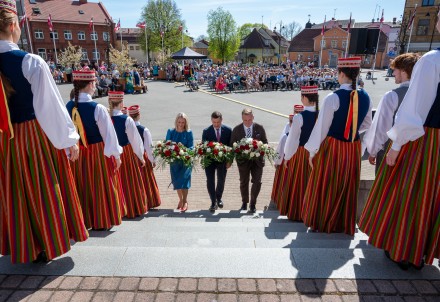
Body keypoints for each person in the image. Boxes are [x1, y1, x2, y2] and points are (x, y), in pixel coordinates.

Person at [0, 1, 88, 264]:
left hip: (4, 138)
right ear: (14, 26)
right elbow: (49, 107)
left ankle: (25, 244)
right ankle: (48, 243)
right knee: (43, 187)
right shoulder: (30, 61)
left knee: (15, 190)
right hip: (32, 135)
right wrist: (68, 140)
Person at [359, 13, 440, 270]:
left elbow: (414, 111)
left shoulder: (432, 60)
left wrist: (393, 147)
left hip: (425, 139)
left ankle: (404, 252)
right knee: (432, 197)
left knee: (408, 195)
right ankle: (424, 253)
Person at [302, 57, 372, 235]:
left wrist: (312, 151)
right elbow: (367, 123)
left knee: (327, 183)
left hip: (334, 147)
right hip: (353, 147)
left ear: (342, 73)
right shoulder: (365, 95)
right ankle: (342, 222)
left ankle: (325, 221)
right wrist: (352, 130)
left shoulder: (333, 97)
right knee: (347, 185)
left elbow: (322, 128)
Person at [66, 69, 126, 231]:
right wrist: (116, 155)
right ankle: (100, 220)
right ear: (91, 84)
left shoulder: (68, 106)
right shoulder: (97, 108)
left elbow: (66, 132)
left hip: (76, 152)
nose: (95, 86)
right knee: (99, 185)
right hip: (97, 152)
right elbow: (109, 135)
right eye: (94, 83)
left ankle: (83, 221)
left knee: (82, 185)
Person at [363, 53, 420, 174]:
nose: (393, 73)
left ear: (404, 71)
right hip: (418, 151)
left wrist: (373, 151)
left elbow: (381, 128)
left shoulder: (392, 96)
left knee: (386, 189)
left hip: (391, 151)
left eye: (395, 70)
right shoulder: (427, 95)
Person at [281, 87, 319, 221]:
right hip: (319, 153)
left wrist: (287, 156)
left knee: (301, 182)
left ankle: (299, 212)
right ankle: (314, 212)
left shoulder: (299, 117)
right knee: (314, 183)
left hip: (303, 153)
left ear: (303, 98)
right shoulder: (321, 114)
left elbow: (293, 139)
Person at [108, 91, 147, 218]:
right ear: (122, 103)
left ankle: (117, 210)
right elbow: (136, 141)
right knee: (129, 182)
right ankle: (131, 208)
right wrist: (141, 157)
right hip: (126, 153)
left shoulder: (107, 117)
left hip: (110, 154)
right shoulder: (127, 119)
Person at [229, 108, 268, 214]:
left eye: (249, 120)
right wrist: (230, 160)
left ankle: (253, 203)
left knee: (257, 182)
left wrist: (259, 148)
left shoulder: (259, 128)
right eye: (245, 120)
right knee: (243, 182)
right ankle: (244, 202)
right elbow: (232, 145)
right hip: (243, 161)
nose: (247, 122)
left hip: (257, 161)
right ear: (242, 118)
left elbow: (265, 143)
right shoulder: (237, 130)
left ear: (253, 118)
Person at [128, 105, 162, 210]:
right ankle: (149, 201)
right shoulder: (144, 130)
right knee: (146, 180)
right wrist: (153, 160)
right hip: (142, 157)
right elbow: (149, 147)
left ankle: (135, 202)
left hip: (131, 157)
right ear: (139, 115)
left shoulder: (127, 127)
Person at [202, 111, 232, 212]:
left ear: (221, 120)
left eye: (218, 122)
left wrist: (230, 161)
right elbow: (204, 147)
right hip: (210, 160)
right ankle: (213, 202)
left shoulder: (228, 130)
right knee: (210, 180)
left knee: (221, 179)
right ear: (211, 120)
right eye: (214, 122)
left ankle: (219, 198)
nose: (216, 124)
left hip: (222, 160)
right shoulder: (206, 131)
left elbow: (231, 147)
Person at [166, 113, 194, 212]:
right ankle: (181, 200)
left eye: (183, 122)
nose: (181, 124)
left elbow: (191, 147)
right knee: (177, 182)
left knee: (184, 181)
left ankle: (185, 201)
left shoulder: (189, 132)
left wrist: (183, 148)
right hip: (175, 162)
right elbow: (167, 144)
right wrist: (173, 146)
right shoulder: (171, 131)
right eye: (179, 122)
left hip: (185, 160)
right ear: (176, 122)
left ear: (185, 122)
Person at [270, 114, 293, 209]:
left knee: (284, 183)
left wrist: (277, 162)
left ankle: (282, 201)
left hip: (286, 163)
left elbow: (280, 151)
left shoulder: (286, 136)